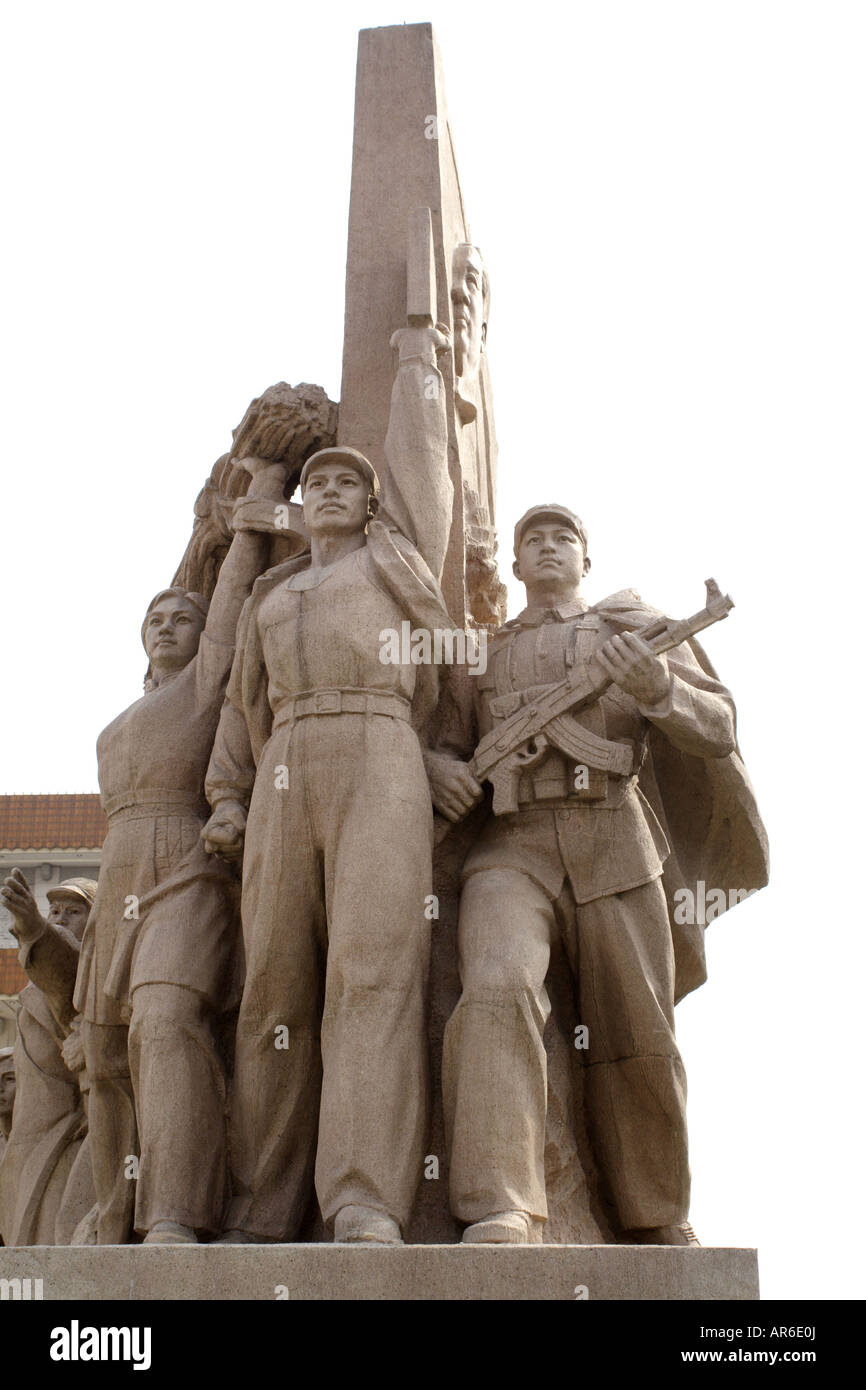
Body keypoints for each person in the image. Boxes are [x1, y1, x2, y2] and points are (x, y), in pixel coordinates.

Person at [427, 503, 768, 1245]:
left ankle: (655, 1214)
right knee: (495, 990)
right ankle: (503, 1203)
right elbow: (447, 748)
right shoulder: (479, 654)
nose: (548, 549)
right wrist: (443, 771)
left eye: (563, 539)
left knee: (636, 1026)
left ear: (587, 559)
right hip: (512, 847)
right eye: (533, 541)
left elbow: (719, 728)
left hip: (613, 835)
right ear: (516, 567)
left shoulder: (635, 630)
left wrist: (658, 691)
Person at [203, 446, 458, 1245]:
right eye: (318, 484)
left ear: (370, 503)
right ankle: (264, 1207)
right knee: (274, 984)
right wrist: (227, 796)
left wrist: (439, 751)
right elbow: (242, 700)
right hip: (287, 752)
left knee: (371, 973)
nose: (330, 493)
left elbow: (448, 661)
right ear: (302, 505)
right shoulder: (271, 593)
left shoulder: (395, 565)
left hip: (382, 745)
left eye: (348, 482)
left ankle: (363, 1198)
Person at [74, 460, 290, 1245]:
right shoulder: (113, 728)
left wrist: (251, 514)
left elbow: (230, 606)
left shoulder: (205, 686)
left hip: (186, 864)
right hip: (118, 869)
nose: (168, 624)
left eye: (180, 617)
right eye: (154, 618)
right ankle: (113, 1213)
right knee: (100, 1055)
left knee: (165, 1020)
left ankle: (176, 1211)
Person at [0, 875, 97, 1245]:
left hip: (65, 1144)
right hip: (27, 1143)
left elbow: (62, 966)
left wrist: (34, 927)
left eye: (74, 911)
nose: (60, 919)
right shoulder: (32, 992)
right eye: (54, 911)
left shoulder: (90, 979)